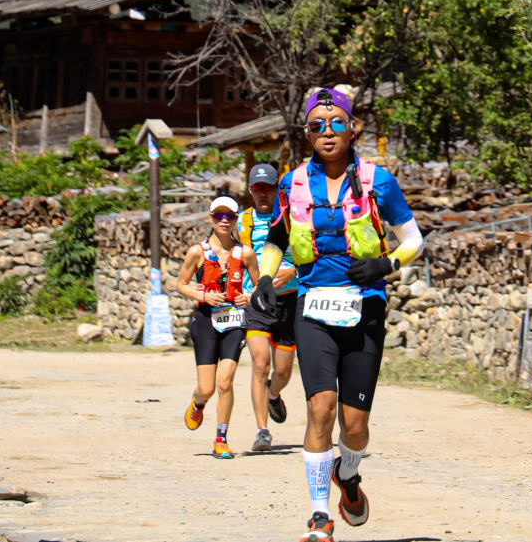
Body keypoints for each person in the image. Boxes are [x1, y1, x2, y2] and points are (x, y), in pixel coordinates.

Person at [250, 88, 424, 542]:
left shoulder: (377, 181)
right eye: (316, 127)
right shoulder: (292, 183)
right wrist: (266, 278)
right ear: (306, 133)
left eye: (335, 124)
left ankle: (348, 475)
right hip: (313, 306)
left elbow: (414, 239)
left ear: (352, 128)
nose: (327, 133)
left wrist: (387, 264)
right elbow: (276, 240)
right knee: (319, 409)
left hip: (364, 306)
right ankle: (319, 515)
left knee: (355, 425)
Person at [175, 193, 250, 459]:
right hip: (206, 320)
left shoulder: (245, 253)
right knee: (207, 388)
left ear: (235, 220)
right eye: (219, 215)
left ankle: (221, 438)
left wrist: (248, 297)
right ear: (211, 218)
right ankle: (198, 403)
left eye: (229, 215)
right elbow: (181, 283)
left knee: (225, 381)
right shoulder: (197, 252)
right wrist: (203, 296)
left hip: (234, 322)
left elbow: (261, 286)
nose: (224, 220)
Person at [238, 163, 299, 452]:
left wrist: (294, 272)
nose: (263, 194)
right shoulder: (242, 222)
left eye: (269, 188)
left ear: (278, 190)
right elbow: (228, 256)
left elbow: (312, 253)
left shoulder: (292, 218)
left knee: (283, 371)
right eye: (258, 188)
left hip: (289, 300)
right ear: (250, 191)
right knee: (260, 364)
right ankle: (263, 431)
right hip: (256, 303)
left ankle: (274, 395)